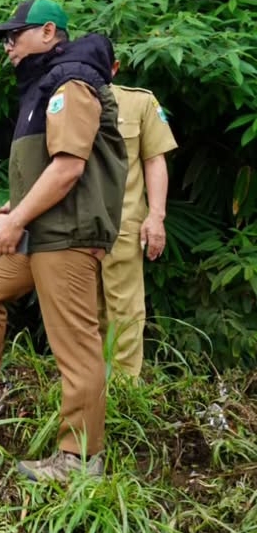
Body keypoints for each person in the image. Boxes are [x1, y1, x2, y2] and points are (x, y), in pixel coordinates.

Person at [0, 0, 127, 482]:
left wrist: (17, 219)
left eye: (14, 36)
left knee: (75, 347)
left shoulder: (72, 83)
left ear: (47, 32)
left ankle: (80, 460)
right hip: (42, 233)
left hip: (66, 236)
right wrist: (12, 208)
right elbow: (44, 168)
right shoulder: (43, 87)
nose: (7, 46)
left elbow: (68, 169)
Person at [101, 64, 177, 378]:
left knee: (125, 310)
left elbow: (154, 159)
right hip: (74, 226)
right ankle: (87, 391)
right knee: (82, 312)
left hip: (124, 221)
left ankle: (122, 389)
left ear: (114, 67)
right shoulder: (65, 98)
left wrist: (156, 216)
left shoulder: (139, 103)